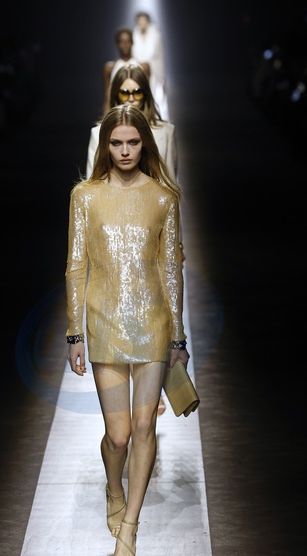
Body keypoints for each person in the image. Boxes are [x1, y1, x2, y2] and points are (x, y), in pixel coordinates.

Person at [65, 105, 190, 556]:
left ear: (145, 144)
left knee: (143, 429)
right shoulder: (85, 196)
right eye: (116, 143)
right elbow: (75, 266)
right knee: (117, 437)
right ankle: (113, 488)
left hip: (153, 324)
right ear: (105, 146)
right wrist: (74, 332)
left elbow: (171, 270)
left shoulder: (163, 198)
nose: (124, 151)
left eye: (132, 142)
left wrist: (178, 338)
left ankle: (130, 529)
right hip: (104, 322)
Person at [86, 65, 185, 417]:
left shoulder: (165, 132)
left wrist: (175, 241)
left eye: (136, 92)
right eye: (123, 92)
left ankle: (152, 386)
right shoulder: (101, 132)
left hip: (156, 228)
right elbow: (95, 178)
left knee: (160, 298)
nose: (130, 98)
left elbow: (171, 182)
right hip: (113, 235)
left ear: (146, 93)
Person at [102, 27, 150, 115]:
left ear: (132, 42)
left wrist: (149, 116)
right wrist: (105, 117)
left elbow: (148, 95)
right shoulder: (109, 68)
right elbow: (107, 97)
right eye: (122, 41)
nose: (125, 44)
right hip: (118, 113)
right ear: (117, 44)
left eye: (128, 41)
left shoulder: (144, 67)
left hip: (139, 112)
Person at [132, 11, 169, 120]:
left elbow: (160, 56)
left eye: (143, 20)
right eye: (139, 20)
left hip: (154, 71)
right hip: (139, 70)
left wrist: (162, 77)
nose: (141, 22)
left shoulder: (156, 34)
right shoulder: (134, 34)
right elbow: (134, 55)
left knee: (156, 98)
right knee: (140, 96)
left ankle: (157, 120)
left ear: (148, 21)